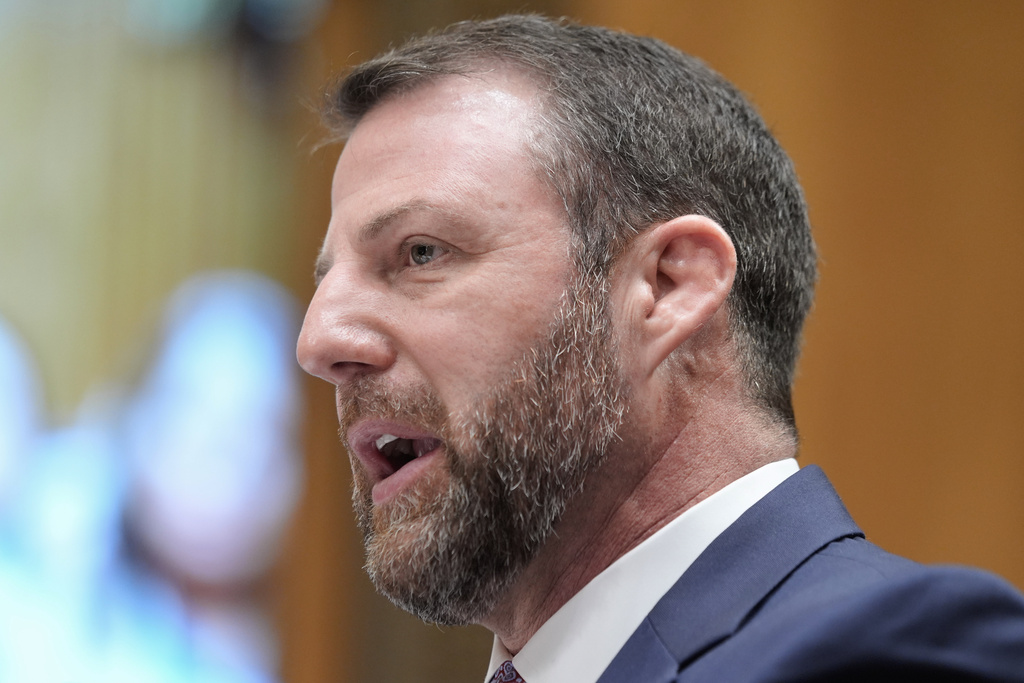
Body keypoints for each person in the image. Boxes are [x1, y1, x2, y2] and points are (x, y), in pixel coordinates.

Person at [296, 14, 1024, 683]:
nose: (319, 341)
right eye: (328, 282)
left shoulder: (890, 655)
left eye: (421, 252)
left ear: (670, 285)